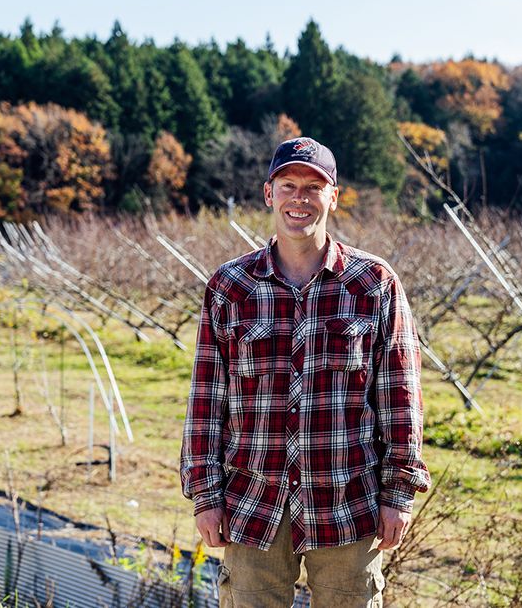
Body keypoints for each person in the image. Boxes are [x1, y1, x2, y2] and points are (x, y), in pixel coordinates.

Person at [180, 136, 430, 607]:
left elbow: (400, 395)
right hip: (251, 501)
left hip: (349, 503)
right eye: (288, 184)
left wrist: (399, 492)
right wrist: (205, 494)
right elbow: (206, 400)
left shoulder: (373, 283)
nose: (301, 197)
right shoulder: (230, 286)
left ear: (333, 196)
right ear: (268, 193)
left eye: (314, 187)